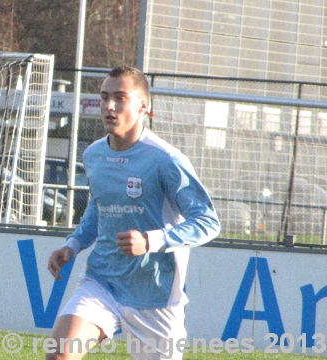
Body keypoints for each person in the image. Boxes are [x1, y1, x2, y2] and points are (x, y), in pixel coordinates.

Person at [46, 66, 220, 360]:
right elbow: (98, 206)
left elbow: (207, 222)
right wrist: (72, 245)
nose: (109, 106)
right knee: (60, 354)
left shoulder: (165, 159)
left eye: (119, 98)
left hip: (154, 293)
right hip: (103, 281)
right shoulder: (94, 155)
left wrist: (150, 241)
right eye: (104, 97)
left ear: (143, 106)